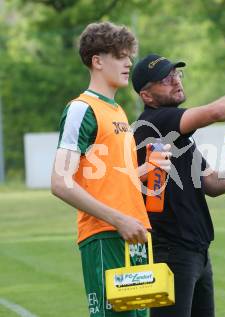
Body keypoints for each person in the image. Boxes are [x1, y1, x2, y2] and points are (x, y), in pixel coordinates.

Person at [130, 53, 225, 317]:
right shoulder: (155, 123)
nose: (176, 81)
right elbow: (216, 111)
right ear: (147, 96)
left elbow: (210, 183)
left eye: (176, 74)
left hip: (196, 251)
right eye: (165, 79)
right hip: (171, 251)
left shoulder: (177, 136)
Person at [51, 22, 171, 317]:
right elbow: (60, 182)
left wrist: (146, 170)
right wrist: (119, 220)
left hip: (134, 235)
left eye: (129, 55)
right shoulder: (82, 109)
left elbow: (113, 178)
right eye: (120, 55)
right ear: (97, 60)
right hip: (107, 234)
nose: (129, 62)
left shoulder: (117, 110)